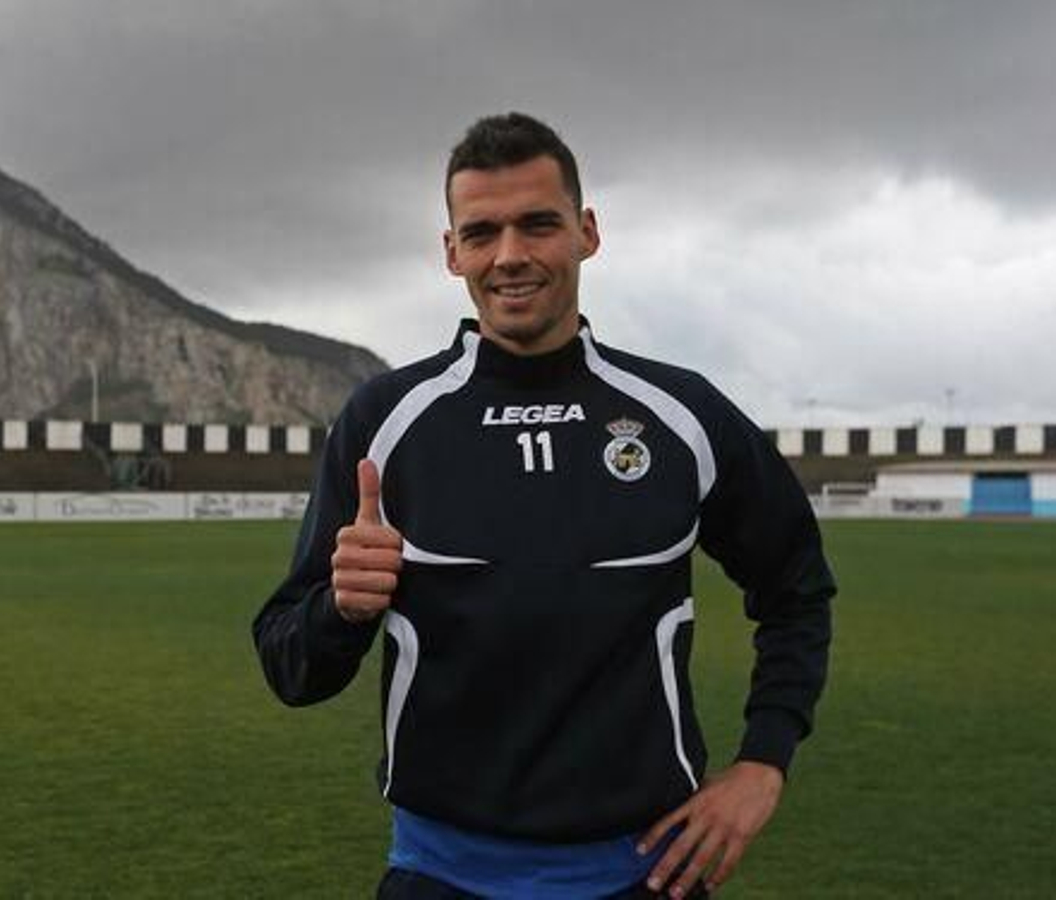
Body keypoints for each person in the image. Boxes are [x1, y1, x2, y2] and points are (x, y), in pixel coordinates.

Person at [251, 112, 835, 899]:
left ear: (587, 232)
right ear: (451, 251)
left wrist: (765, 760)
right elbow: (292, 666)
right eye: (482, 232)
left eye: (538, 224)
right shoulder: (385, 423)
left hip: (643, 876)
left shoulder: (680, 415)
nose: (511, 255)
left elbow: (796, 589)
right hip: (441, 879)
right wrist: (342, 611)